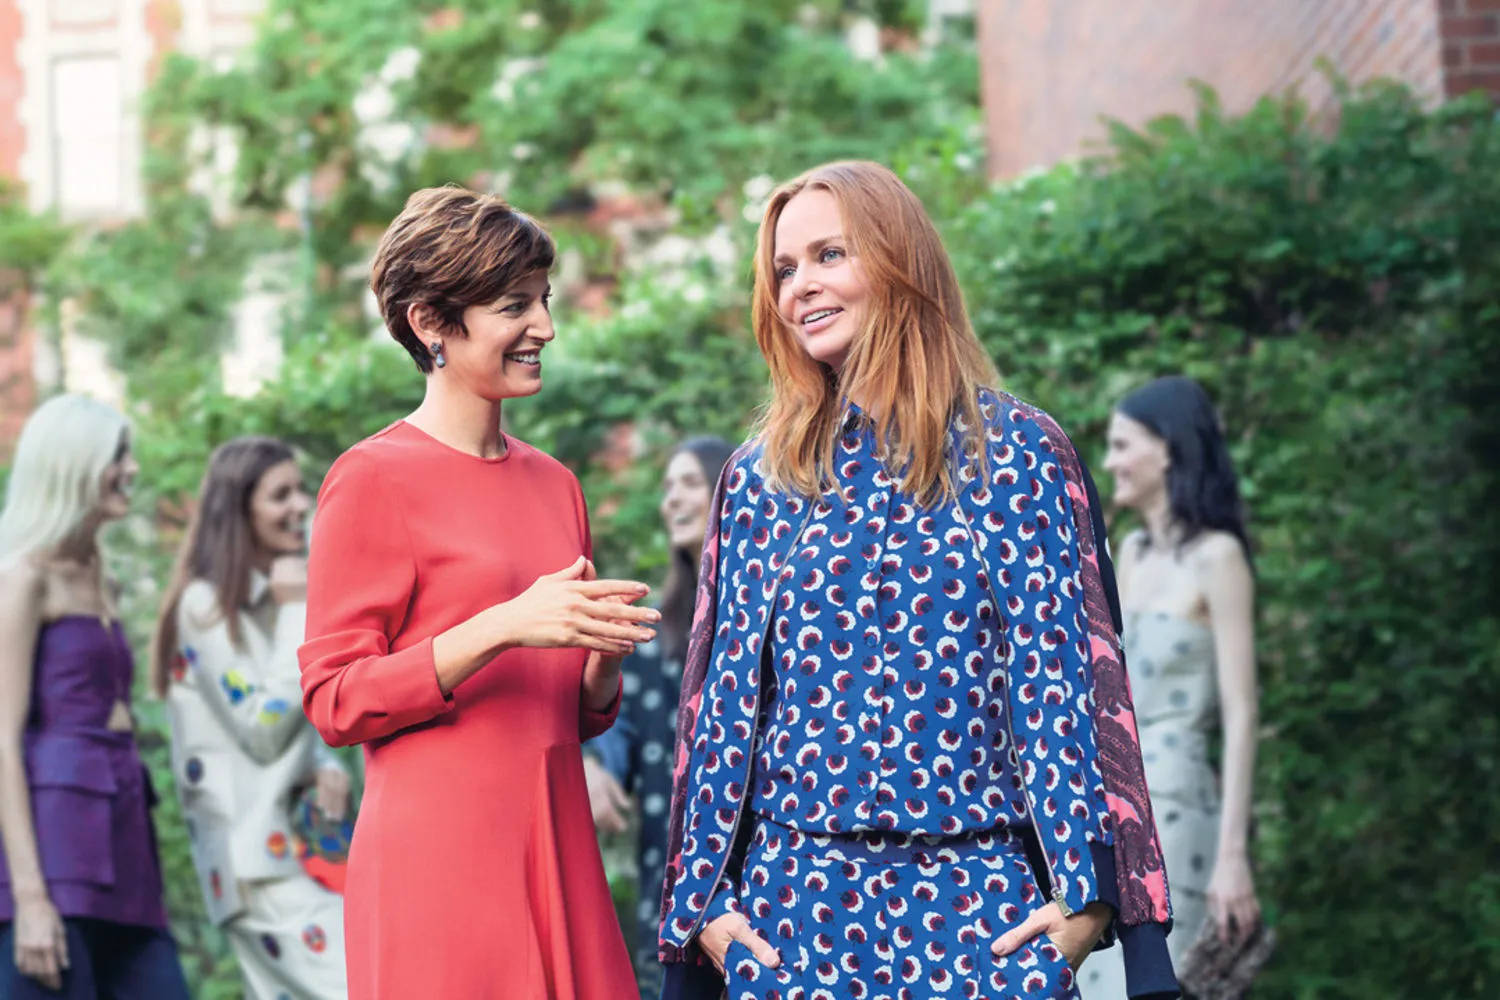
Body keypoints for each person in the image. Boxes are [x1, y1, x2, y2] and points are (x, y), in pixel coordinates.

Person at [658, 161, 1177, 1000]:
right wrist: (705, 909)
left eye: (829, 255)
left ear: (899, 261)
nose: (800, 288)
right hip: (794, 913)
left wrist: (1088, 903)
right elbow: (720, 706)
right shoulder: (760, 478)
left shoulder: (1014, 453)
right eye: (784, 270)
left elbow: (1066, 681)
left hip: (980, 910)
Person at [298, 185, 658, 999]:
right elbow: (334, 700)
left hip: (558, 844)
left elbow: (572, 712)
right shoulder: (370, 479)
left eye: (543, 300)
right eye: (513, 306)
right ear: (431, 322)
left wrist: (601, 663)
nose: (545, 328)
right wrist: (500, 625)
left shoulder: (557, 484)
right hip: (440, 866)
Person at [0, 394, 192, 999]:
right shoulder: (25, 577)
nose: (131, 468)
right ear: (71, 465)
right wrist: (30, 898)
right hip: (55, 848)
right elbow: (2, 739)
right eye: (117, 455)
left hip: (125, 833)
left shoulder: (102, 575)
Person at [1079, 376, 1260, 998]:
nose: (1110, 463)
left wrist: (1233, 856)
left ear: (1169, 450)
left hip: (1181, 812)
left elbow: (1241, 716)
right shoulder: (1128, 552)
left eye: (1124, 445)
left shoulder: (1219, 558)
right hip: (1119, 808)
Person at [151, 436, 351, 999]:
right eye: (279, 494)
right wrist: (295, 608)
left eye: (300, 490)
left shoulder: (265, 601)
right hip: (256, 862)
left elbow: (296, 711)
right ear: (239, 509)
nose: (300, 506)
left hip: (294, 853)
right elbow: (262, 725)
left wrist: (322, 761)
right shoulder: (205, 607)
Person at [584, 435, 735, 994]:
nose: (672, 499)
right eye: (668, 486)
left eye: (690, 482)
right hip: (671, 890)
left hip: (766, 882)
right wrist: (593, 765)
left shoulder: (775, 609)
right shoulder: (653, 631)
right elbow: (614, 732)